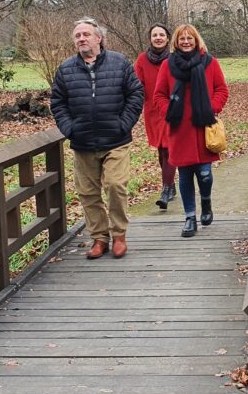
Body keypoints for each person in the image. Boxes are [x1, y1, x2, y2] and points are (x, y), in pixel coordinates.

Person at [51, 18, 143, 259]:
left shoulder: (119, 62)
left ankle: (119, 235)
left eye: (86, 34)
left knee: (115, 186)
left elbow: (135, 94)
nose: (81, 39)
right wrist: (69, 128)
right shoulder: (66, 68)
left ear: (98, 38)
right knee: (88, 193)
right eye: (77, 36)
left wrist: (123, 124)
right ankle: (99, 238)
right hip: (83, 142)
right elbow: (58, 103)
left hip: (116, 140)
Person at [155, 24, 229, 238]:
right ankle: (189, 217)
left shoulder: (210, 63)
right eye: (182, 39)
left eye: (190, 38)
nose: (186, 42)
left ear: (197, 41)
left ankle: (206, 202)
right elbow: (159, 94)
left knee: (205, 174)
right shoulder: (168, 65)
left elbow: (222, 90)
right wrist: (168, 110)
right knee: (185, 174)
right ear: (176, 42)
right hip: (179, 129)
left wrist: (211, 108)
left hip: (202, 126)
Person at [134, 24, 177, 210]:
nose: (158, 38)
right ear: (150, 39)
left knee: (168, 149)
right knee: (161, 150)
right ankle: (171, 185)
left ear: (168, 38)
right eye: (154, 35)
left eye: (161, 35)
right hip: (152, 111)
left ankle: (166, 189)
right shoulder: (142, 60)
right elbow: (136, 85)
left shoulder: (175, 58)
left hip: (171, 109)